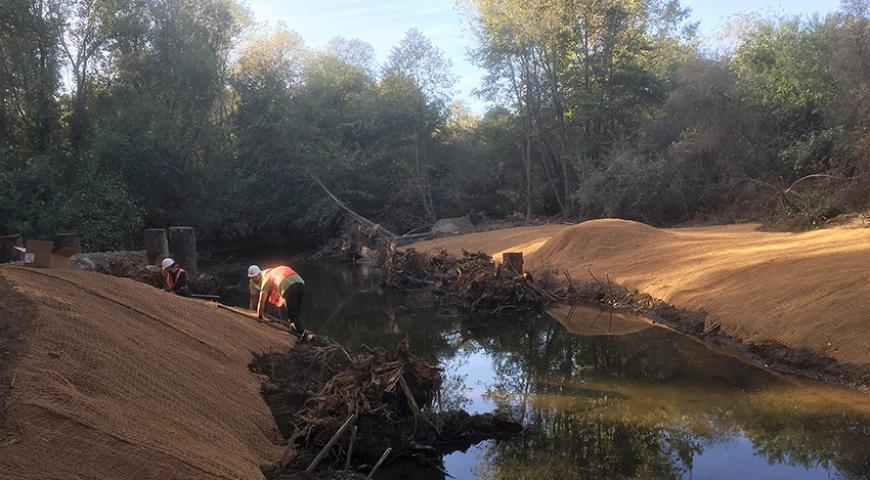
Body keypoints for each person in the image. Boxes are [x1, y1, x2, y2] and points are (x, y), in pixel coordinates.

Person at [248, 264, 306, 337]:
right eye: (252, 278)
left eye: (255, 277)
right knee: (296, 311)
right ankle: (296, 331)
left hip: (288, 286)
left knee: (293, 315)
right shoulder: (276, 271)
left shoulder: (266, 278)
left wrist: (259, 316)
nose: (254, 279)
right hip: (300, 283)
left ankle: (302, 335)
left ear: (260, 273)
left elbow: (261, 300)